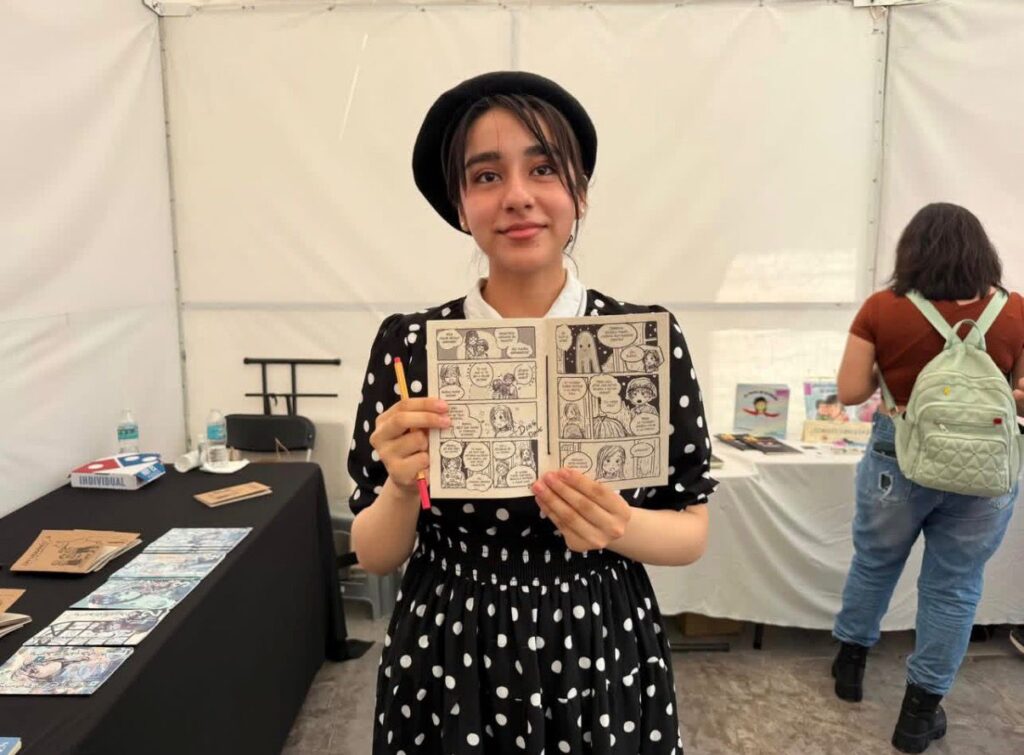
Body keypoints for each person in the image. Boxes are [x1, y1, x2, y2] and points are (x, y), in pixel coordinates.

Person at [347, 71, 716, 754]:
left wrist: (618, 524)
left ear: (579, 191)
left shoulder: (643, 340)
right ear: (460, 205)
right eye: (486, 176)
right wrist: (399, 485)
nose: (517, 195)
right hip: (449, 640)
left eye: (543, 168)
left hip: (599, 636)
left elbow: (691, 528)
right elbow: (374, 552)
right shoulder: (410, 345)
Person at [830, 202, 1024, 753]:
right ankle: (918, 715)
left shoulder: (883, 309)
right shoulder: (1015, 312)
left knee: (875, 561)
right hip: (984, 469)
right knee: (954, 586)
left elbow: (849, 392)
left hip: (898, 455)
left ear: (911, 251)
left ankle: (850, 668)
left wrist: (897, 374)